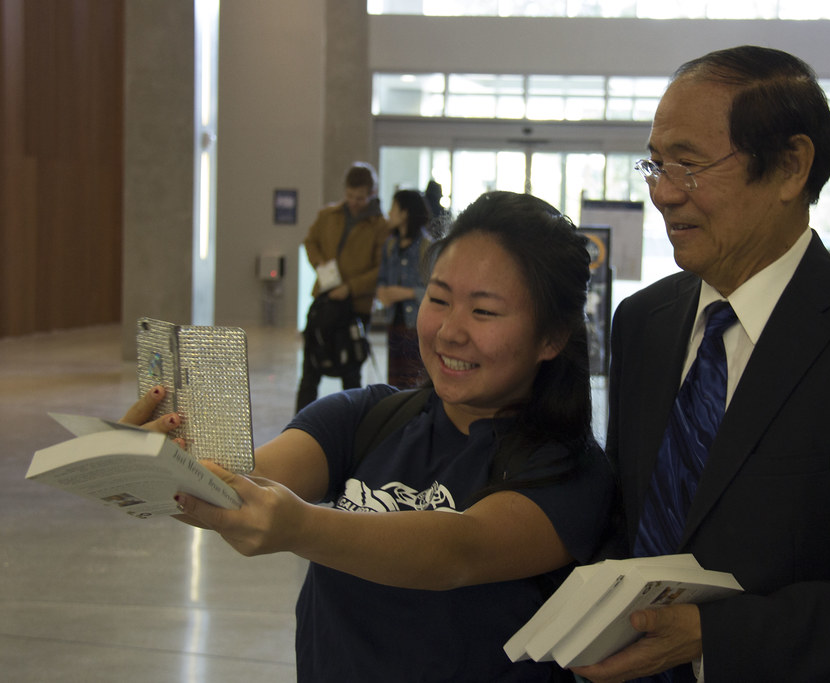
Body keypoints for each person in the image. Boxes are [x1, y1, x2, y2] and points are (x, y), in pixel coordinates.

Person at [575, 46, 830, 683]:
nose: (662, 194)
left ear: (791, 167)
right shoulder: (644, 322)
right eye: (654, 164)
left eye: (689, 165)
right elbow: (628, 515)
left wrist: (713, 637)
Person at [127, 191, 615, 682]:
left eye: (483, 312)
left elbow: (458, 552)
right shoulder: (365, 417)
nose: (449, 331)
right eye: (439, 299)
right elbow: (239, 483)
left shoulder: (567, 471)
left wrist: (301, 527)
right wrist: (164, 464)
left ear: (551, 337)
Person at [296, 162, 388, 412]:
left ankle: (351, 426)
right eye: (349, 196)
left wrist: (351, 287)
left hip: (356, 307)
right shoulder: (328, 216)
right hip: (325, 301)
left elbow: (381, 268)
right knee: (310, 370)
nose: (354, 202)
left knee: (351, 371)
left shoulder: (381, 227)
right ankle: (298, 427)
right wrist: (322, 266)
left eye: (360, 197)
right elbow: (310, 242)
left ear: (371, 194)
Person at [376, 189, 433, 388]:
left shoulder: (428, 247)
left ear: (405, 213)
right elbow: (381, 278)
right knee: (395, 381)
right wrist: (382, 291)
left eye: (393, 208)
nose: (389, 213)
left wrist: (404, 293)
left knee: (416, 381)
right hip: (394, 322)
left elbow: (435, 291)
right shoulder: (390, 245)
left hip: (417, 324)